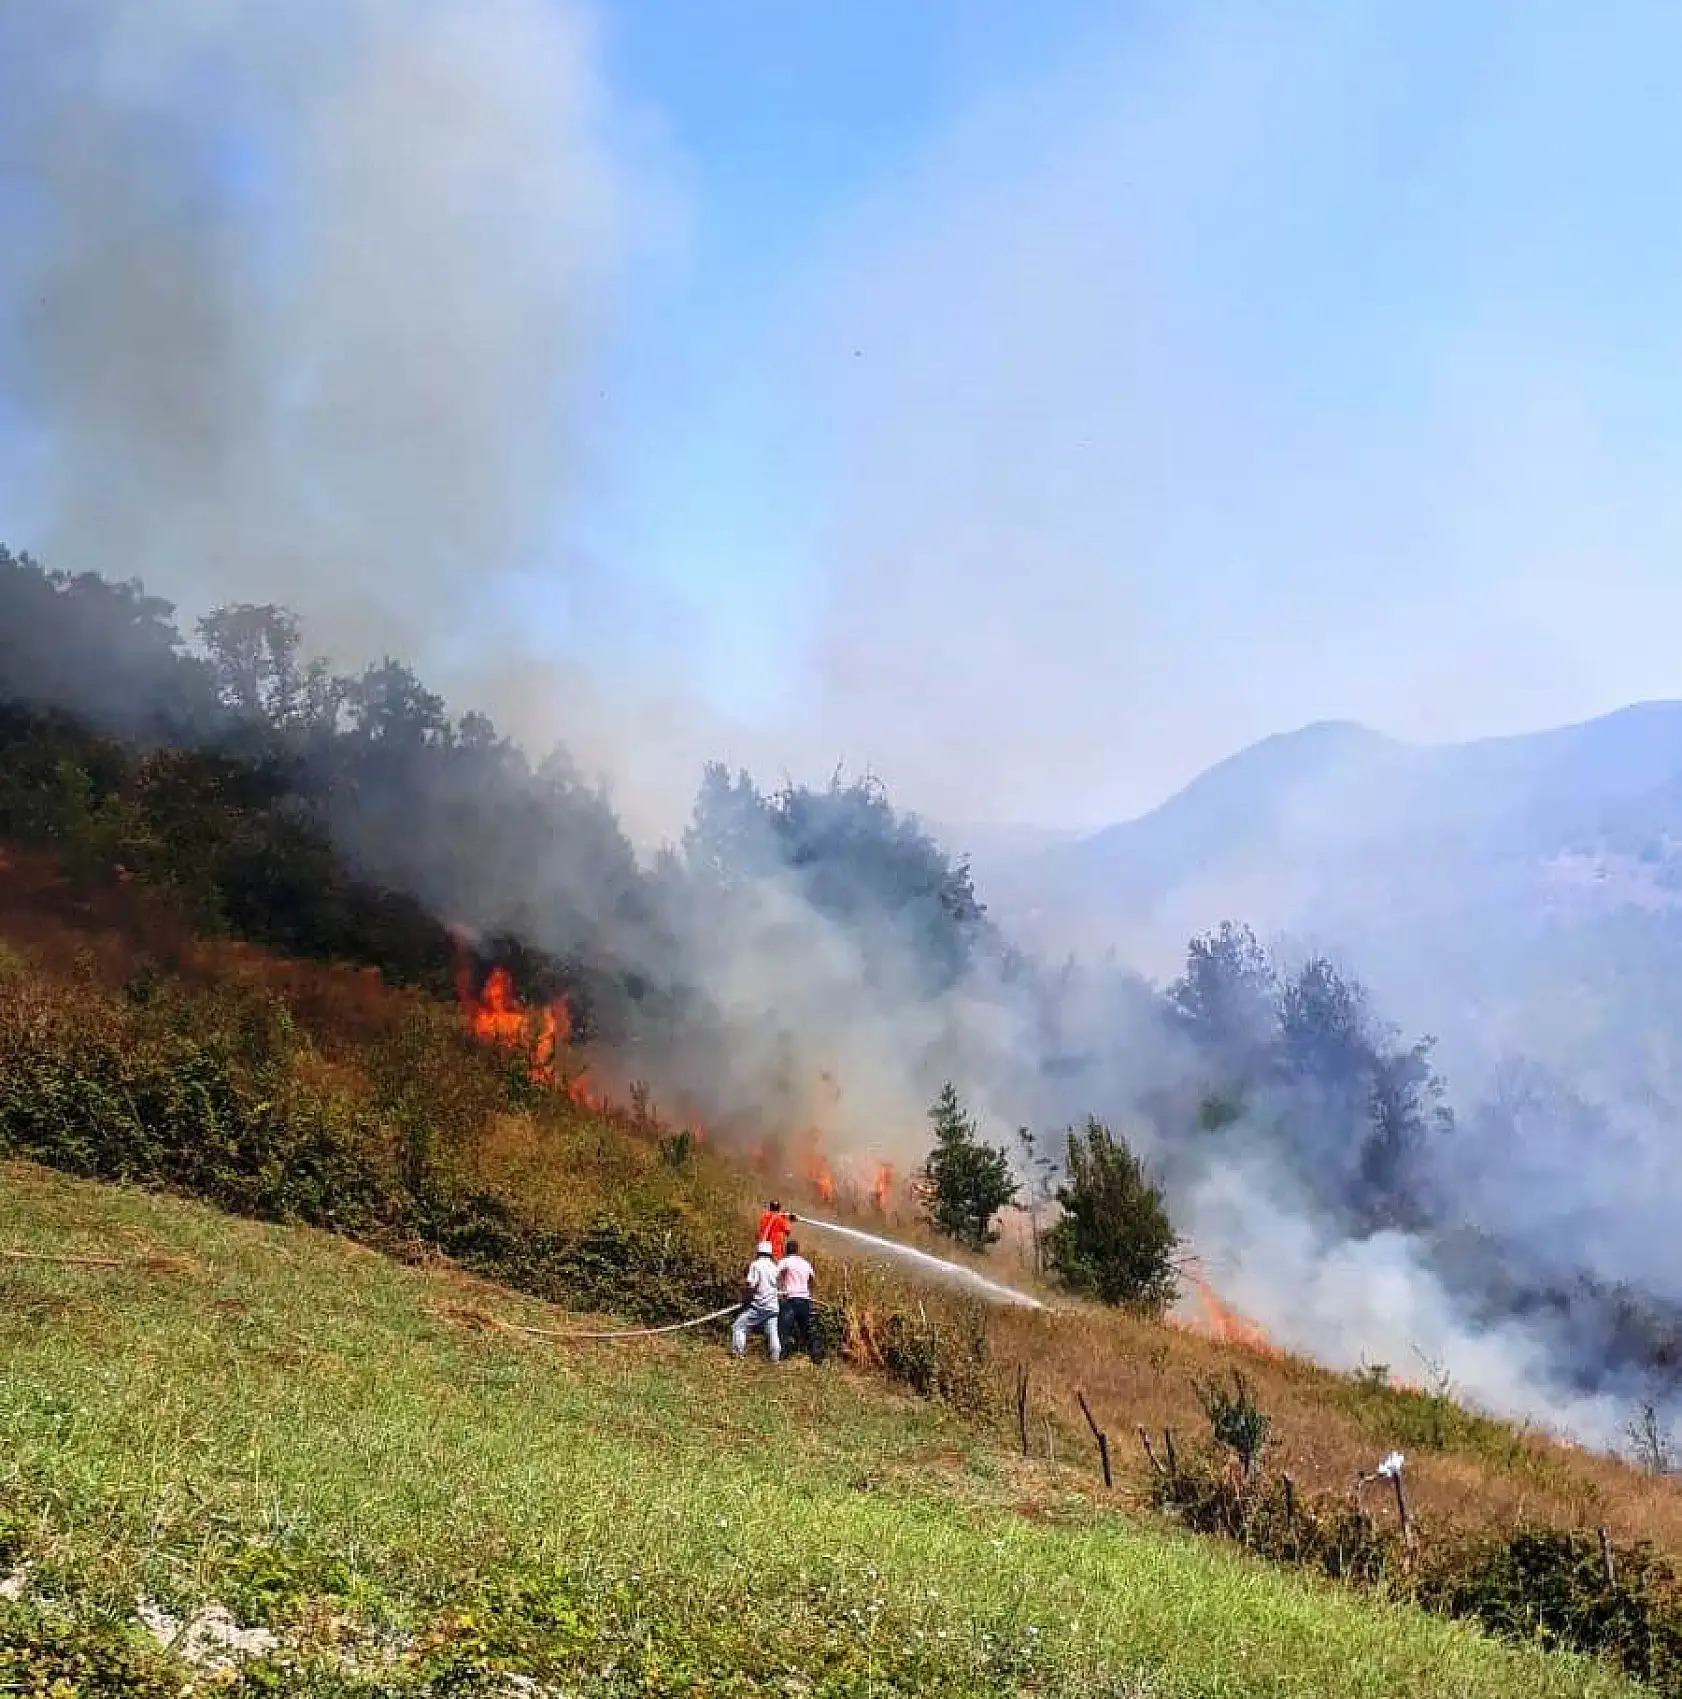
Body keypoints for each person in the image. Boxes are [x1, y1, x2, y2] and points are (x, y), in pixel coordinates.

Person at [730, 1240, 782, 1362]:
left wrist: (746, 1299)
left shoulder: (756, 1265)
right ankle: (775, 1358)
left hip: (760, 1306)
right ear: (770, 1254)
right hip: (773, 1307)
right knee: (772, 1333)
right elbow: (778, 1286)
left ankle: (738, 1354)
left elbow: (751, 1285)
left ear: (758, 1252)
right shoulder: (775, 1267)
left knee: (738, 1327)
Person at [776, 1237, 822, 1363]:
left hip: (791, 1300)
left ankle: (783, 1355)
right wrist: (808, 1291)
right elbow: (813, 1280)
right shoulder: (805, 1263)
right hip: (805, 1301)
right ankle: (816, 1357)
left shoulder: (785, 1261)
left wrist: (779, 1288)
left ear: (786, 1250)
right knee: (807, 1329)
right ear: (797, 1250)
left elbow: (774, 1275)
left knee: (783, 1329)